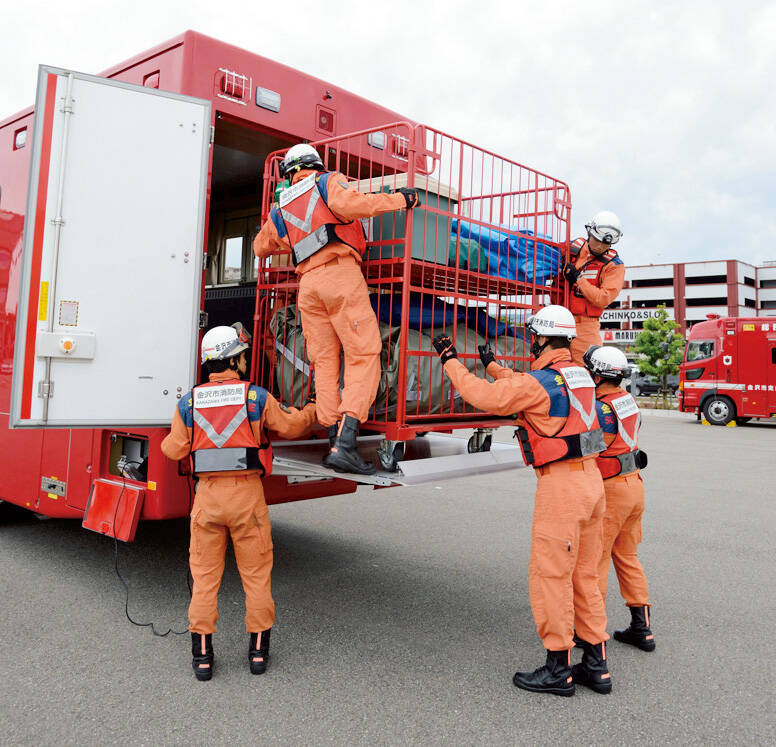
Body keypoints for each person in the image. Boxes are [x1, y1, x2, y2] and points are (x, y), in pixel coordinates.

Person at [432, 305, 611, 696]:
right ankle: (596, 665)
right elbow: (531, 388)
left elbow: (485, 396)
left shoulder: (541, 381)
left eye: (533, 335)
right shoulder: (579, 374)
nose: (531, 340)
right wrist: (495, 365)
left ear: (543, 337)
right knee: (585, 576)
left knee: (551, 575)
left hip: (562, 488)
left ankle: (558, 668)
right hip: (592, 483)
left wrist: (450, 361)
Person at [161, 323, 317, 681]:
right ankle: (258, 655)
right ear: (236, 357)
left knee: (204, 580)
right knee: (257, 577)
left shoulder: (189, 402)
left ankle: (202, 659)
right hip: (247, 499)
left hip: (208, 499)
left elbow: (173, 450)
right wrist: (311, 409)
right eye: (243, 354)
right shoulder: (256, 398)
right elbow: (293, 428)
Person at [254, 143, 419, 475]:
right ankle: (345, 443)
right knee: (363, 354)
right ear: (315, 165)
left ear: (289, 173)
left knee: (325, 363)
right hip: (340, 276)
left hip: (309, 288)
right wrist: (401, 199)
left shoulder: (280, 207)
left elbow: (260, 247)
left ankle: (333, 439)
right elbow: (354, 204)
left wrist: (286, 236)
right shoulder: (327, 182)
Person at [583, 344, 655, 652]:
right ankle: (642, 628)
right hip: (634, 486)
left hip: (611, 489)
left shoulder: (601, 409)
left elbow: (589, 448)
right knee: (627, 558)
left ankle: (589, 633)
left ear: (597, 376)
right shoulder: (628, 401)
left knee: (596, 561)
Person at [562, 211, 625, 364]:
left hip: (586, 326)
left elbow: (603, 298)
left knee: (585, 370)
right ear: (589, 232)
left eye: (605, 244)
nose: (600, 246)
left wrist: (578, 279)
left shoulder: (614, 265)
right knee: (551, 366)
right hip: (561, 318)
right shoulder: (572, 248)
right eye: (597, 240)